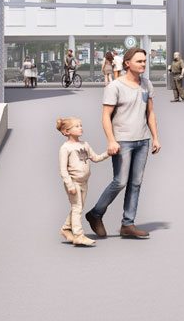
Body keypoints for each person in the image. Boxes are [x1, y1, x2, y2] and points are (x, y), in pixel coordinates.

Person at [85, 48, 161, 240]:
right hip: (122, 141)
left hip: (142, 140)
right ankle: (95, 214)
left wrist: (155, 137)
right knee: (120, 181)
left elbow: (150, 113)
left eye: (144, 61)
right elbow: (105, 116)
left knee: (136, 183)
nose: (143, 64)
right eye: (139, 61)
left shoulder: (147, 84)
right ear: (127, 63)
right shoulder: (115, 87)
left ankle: (128, 224)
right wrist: (111, 140)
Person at [56, 116, 104, 247]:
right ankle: (78, 235)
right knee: (77, 208)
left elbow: (95, 158)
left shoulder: (85, 144)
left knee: (78, 207)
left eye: (81, 125)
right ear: (67, 131)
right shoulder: (65, 148)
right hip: (74, 183)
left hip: (84, 183)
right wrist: (69, 184)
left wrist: (108, 153)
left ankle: (66, 229)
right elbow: (63, 170)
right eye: (77, 126)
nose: (81, 128)